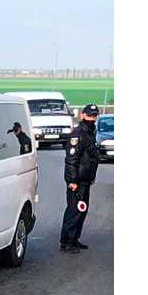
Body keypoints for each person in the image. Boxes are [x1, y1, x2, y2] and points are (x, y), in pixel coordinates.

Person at [60, 103, 102, 253]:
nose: (92, 118)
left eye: (94, 115)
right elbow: (72, 159)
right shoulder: (78, 134)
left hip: (85, 180)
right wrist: (72, 181)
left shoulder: (90, 132)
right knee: (74, 211)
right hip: (77, 181)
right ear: (82, 115)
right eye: (89, 115)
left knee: (82, 211)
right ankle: (66, 242)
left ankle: (74, 239)